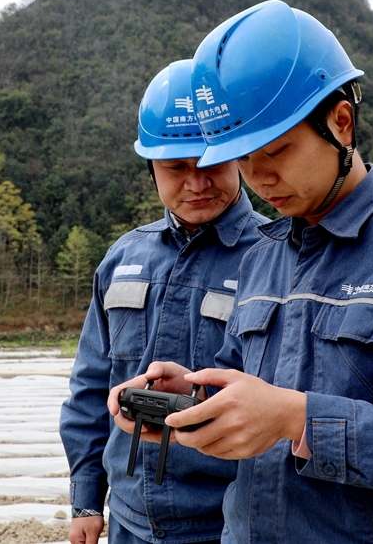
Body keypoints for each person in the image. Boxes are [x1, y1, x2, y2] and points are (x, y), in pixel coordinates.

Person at [108, 1, 373, 543]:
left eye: (276, 151)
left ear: (340, 124)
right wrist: (193, 397)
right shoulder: (262, 255)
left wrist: (298, 419)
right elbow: (245, 386)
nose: (259, 178)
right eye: (244, 159)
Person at [60, 59, 268, 544]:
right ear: (152, 168)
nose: (196, 183)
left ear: (238, 155)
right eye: (177, 168)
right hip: (130, 524)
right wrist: (86, 498)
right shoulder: (123, 258)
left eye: (211, 163)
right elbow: (91, 388)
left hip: (229, 524)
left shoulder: (278, 257)